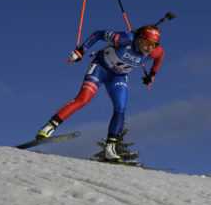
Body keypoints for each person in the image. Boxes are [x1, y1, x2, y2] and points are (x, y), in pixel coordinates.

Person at [36, 25, 165, 161]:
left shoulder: (155, 51)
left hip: (118, 76)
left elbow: (160, 57)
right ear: (139, 39)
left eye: (153, 45)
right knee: (83, 99)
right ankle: (49, 127)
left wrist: (152, 75)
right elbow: (98, 34)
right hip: (101, 68)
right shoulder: (124, 39)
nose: (149, 48)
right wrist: (81, 50)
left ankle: (110, 148)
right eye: (146, 43)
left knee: (120, 108)